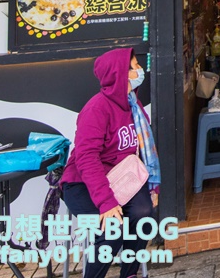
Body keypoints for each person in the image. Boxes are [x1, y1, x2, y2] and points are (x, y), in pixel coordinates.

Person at [61, 48, 159, 278]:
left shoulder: (132, 105)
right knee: (112, 229)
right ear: (119, 75)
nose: (139, 71)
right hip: (84, 184)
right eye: (134, 67)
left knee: (144, 213)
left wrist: (154, 187)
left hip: (121, 179)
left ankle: (129, 274)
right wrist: (106, 202)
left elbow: (145, 150)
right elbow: (86, 158)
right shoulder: (96, 109)